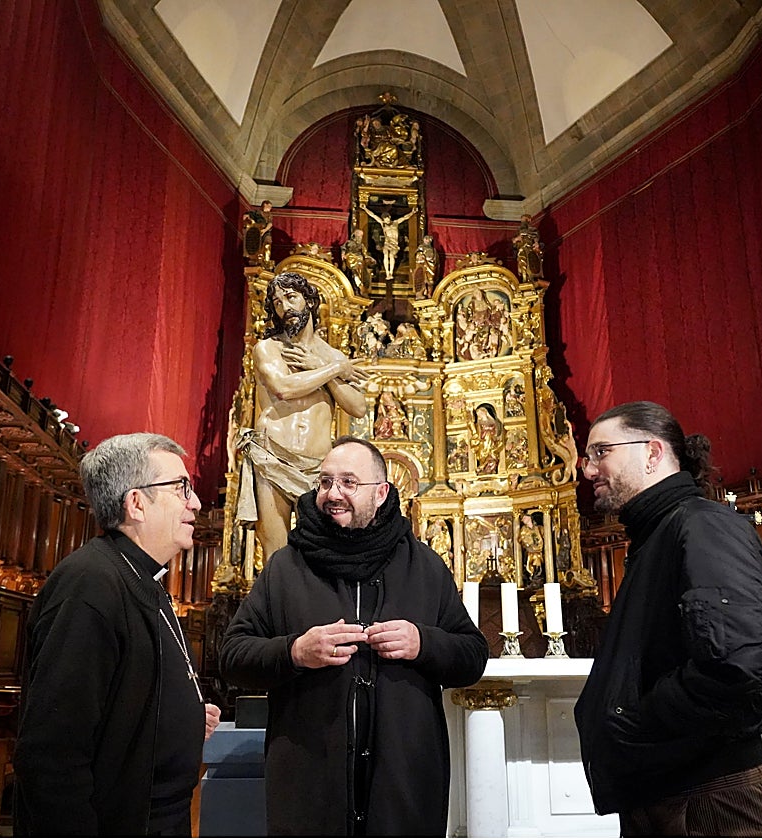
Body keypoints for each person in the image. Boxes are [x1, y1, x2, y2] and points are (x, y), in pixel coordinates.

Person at [220, 436, 489, 837]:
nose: (333, 494)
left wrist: (423, 642)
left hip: (404, 785)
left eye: (349, 482)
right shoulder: (285, 568)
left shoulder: (425, 566)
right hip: (310, 785)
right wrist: (295, 651)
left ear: (381, 493)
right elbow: (232, 655)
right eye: (326, 482)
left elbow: (473, 655)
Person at [573, 402, 762, 837]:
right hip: (675, 800)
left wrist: (637, 719)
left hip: (718, 805)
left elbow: (754, 668)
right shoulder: (656, 535)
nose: (587, 470)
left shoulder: (702, 525)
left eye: (601, 452)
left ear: (653, 453)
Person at [14, 433, 221, 836]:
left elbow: (126, 701)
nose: (195, 502)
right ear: (136, 503)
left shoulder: (141, 579)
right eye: (181, 488)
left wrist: (183, 718)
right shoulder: (89, 584)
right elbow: (53, 754)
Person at [238, 272, 368, 560]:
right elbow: (283, 388)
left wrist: (325, 365)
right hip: (273, 457)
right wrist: (334, 370)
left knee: (323, 551)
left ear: (309, 301)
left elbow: (358, 407)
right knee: (277, 553)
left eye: (291, 297)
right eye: (277, 302)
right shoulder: (268, 348)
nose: (285, 307)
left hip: (317, 468)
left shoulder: (331, 355)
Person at [362, 202, 416, 280]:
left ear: (389, 217)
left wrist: (412, 212)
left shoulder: (395, 223)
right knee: (386, 254)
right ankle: (387, 273)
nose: (386, 222)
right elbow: (373, 215)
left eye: (387, 220)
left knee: (391, 255)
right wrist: (365, 208)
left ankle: (391, 272)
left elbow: (405, 217)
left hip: (394, 244)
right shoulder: (383, 224)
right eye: (385, 221)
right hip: (387, 243)